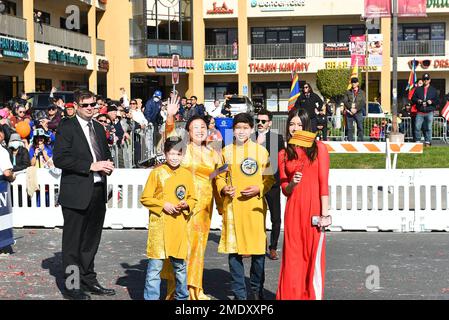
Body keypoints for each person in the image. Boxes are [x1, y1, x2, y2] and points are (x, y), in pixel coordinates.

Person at [53, 90, 116, 300]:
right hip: (76, 194)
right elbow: (60, 159)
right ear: (77, 106)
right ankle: (72, 287)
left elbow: (104, 154)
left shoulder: (98, 127)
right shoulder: (67, 126)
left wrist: (107, 164)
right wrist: (91, 165)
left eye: (93, 105)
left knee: (91, 241)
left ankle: (89, 280)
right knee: (72, 244)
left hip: (97, 191)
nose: (90, 108)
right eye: (86, 105)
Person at [163, 97, 224, 300]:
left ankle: (194, 289)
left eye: (203, 126)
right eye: (195, 127)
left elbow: (220, 179)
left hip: (204, 209)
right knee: (180, 247)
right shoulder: (183, 149)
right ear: (188, 132)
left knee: (198, 248)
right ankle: (177, 290)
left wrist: (224, 205)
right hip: (182, 206)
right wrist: (170, 115)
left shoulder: (215, 154)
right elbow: (168, 137)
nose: (199, 130)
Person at [216, 113, 275, 300]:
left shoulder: (262, 152)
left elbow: (270, 178)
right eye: (238, 128)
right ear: (233, 130)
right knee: (234, 253)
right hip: (233, 209)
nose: (241, 131)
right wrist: (224, 188)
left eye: (245, 128)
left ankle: (257, 291)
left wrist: (259, 188)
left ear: (251, 129)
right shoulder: (225, 152)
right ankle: (239, 295)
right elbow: (217, 177)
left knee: (258, 253)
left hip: (255, 209)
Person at [276, 108, 331, 300]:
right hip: (293, 212)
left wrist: (325, 215)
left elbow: (324, 183)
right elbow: (284, 188)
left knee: (311, 258)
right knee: (293, 259)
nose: (295, 128)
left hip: (314, 211)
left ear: (306, 126)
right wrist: (292, 183)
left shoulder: (319, 148)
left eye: (299, 124)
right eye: (292, 124)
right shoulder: (283, 153)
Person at [140, 137, 197, 300]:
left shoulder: (186, 174)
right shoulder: (157, 173)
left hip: (178, 226)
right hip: (160, 228)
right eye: (171, 153)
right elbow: (145, 198)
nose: (174, 157)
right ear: (165, 154)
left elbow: (193, 198)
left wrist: (186, 205)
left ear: (183, 155)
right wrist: (163, 205)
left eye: (178, 154)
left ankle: (182, 298)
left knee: (180, 267)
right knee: (154, 269)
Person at [254, 110, 285, 261]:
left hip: (272, 182)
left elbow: (278, 160)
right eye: (258, 121)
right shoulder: (250, 137)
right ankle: (258, 245)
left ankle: (273, 247)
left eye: (263, 121)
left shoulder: (277, 138)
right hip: (255, 182)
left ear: (269, 123)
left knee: (275, 217)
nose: (260, 123)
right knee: (256, 216)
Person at [411, 73, 439, 147]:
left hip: (429, 112)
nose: (425, 80)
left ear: (429, 80)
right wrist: (418, 101)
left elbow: (437, 101)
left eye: (427, 79)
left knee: (428, 128)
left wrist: (431, 101)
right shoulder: (418, 89)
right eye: (424, 79)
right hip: (420, 112)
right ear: (422, 80)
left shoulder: (433, 90)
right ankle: (417, 141)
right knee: (417, 127)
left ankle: (427, 142)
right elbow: (413, 99)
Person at [342, 77, 366, 141]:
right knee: (350, 128)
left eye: (355, 82)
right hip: (349, 112)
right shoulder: (348, 92)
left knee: (360, 127)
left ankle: (360, 141)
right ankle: (350, 141)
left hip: (358, 112)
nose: (353, 83)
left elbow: (363, 102)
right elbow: (345, 101)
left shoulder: (362, 92)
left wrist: (356, 109)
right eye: (352, 82)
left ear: (357, 83)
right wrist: (350, 108)